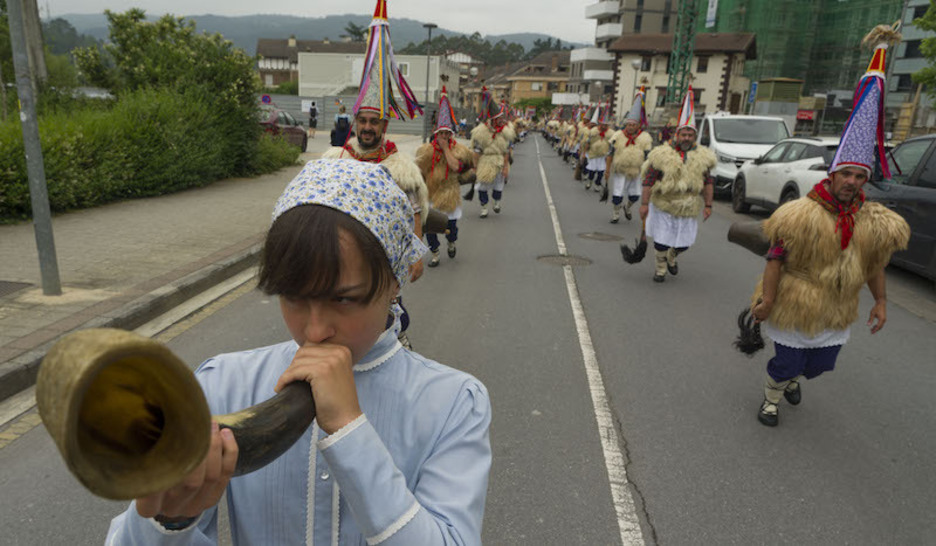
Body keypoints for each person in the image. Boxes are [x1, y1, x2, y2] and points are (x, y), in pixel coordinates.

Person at [104, 159, 492, 545]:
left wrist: (349, 429)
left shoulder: (452, 404)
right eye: (293, 297)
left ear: (394, 281)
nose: (315, 330)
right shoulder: (223, 384)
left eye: (343, 298)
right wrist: (169, 522)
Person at [750, 23, 909, 427]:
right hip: (794, 298)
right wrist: (766, 301)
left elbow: (875, 266)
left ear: (865, 179)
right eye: (846, 175)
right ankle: (772, 397)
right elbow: (774, 259)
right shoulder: (800, 214)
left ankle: (790, 381)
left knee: (820, 365)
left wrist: (882, 301)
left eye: (860, 176)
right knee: (786, 359)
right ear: (833, 175)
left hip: (836, 307)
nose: (852, 182)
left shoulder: (873, 221)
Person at [322, 0, 428, 350]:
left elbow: (413, 210)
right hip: (339, 249)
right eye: (362, 121)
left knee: (386, 308)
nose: (367, 128)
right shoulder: (337, 158)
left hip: (383, 251)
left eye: (374, 122)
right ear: (356, 123)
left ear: (384, 124)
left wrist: (414, 253)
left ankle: (397, 344)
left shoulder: (399, 166)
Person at [639, 86, 716, 282]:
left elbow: (708, 183)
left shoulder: (703, 157)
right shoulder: (662, 155)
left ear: (694, 136)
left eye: (690, 135)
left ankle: (673, 256)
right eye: (684, 134)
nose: (687, 138)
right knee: (662, 239)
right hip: (665, 203)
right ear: (677, 135)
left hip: (689, 205)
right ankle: (660, 269)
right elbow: (648, 180)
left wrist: (708, 205)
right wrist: (644, 204)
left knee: (684, 243)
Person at [415, 86, 476, 267]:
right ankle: (434, 253)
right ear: (436, 133)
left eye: (446, 133)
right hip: (431, 195)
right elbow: (419, 170)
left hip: (449, 194)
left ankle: (451, 242)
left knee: (451, 229)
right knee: (430, 228)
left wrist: (445, 148)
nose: (443, 136)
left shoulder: (458, 150)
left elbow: (455, 166)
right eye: (440, 133)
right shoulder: (426, 151)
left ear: (450, 134)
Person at [605, 89, 652, 223]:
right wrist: (607, 170)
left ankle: (627, 207)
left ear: (638, 125)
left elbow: (649, 157)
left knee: (635, 196)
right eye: (629, 124)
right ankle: (616, 213)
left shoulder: (645, 138)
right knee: (618, 194)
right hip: (620, 170)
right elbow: (610, 153)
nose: (630, 127)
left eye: (633, 125)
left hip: (636, 171)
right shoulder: (618, 135)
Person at [470, 89, 511, 218]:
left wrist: (505, 167)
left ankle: (497, 202)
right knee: (482, 186)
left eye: (501, 118)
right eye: (498, 119)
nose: (501, 121)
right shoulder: (481, 133)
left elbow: (505, 152)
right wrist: (475, 166)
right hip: (485, 162)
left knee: (498, 186)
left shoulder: (504, 133)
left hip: (498, 161)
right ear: (492, 120)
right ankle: (484, 207)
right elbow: (476, 152)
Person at [582, 104, 612, 193]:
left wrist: (610, 156)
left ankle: (597, 183)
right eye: (603, 124)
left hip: (603, 155)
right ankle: (590, 181)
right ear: (600, 124)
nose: (604, 126)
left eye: (606, 125)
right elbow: (588, 143)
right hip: (593, 154)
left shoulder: (611, 134)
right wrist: (584, 153)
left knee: (600, 172)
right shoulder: (593, 132)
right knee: (592, 171)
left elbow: (612, 146)